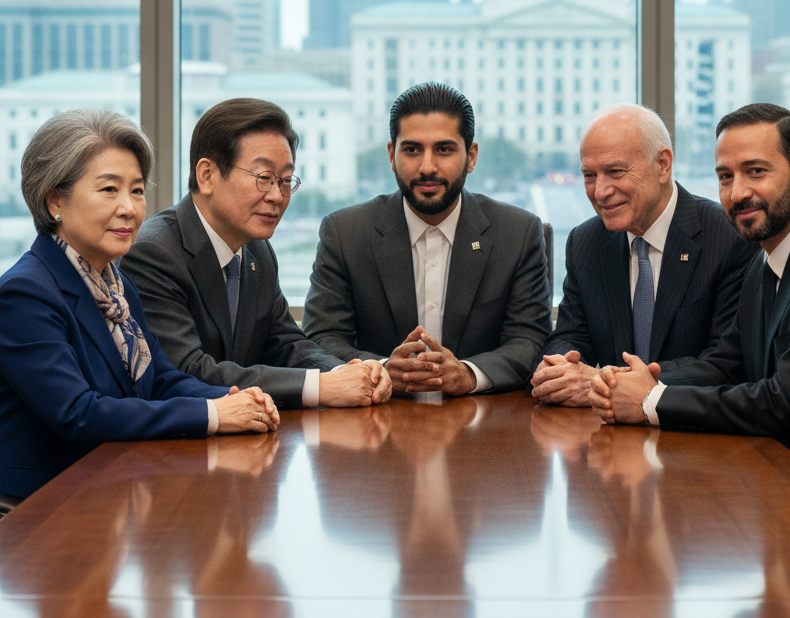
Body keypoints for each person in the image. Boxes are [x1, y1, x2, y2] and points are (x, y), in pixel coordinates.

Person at [0, 109, 279, 501]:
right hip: (42, 507)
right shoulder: (24, 293)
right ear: (53, 200)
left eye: (136, 190)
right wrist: (213, 416)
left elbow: (161, 379)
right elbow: (78, 414)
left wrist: (232, 398)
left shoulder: (117, 285)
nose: (130, 208)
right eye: (109, 189)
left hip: (112, 487)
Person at [588, 103, 790, 498]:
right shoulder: (765, 259)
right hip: (777, 481)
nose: (737, 193)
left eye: (756, 172)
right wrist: (625, 382)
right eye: (724, 176)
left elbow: (783, 403)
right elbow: (728, 364)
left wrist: (652, 400)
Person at [122, 98, 390, 409]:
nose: (277, 196)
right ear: (207, 175)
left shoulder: (257, 250)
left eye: (286, 181)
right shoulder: (154, 253)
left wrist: (350, 372)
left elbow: (286, 343)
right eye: (264, 178)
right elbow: (190, 371)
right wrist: (320, 386)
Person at [302, 82, 552, 395]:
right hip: (376, 422)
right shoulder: (345, 233)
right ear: (392, 155)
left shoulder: (517, 233)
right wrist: (381, 369)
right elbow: (320, 339)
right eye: (412, 150)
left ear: (471, 156)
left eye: (444, 149)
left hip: (486, 423)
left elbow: (530, 340)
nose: (427, 167)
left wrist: (469, 374)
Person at [531, 103, 756, 407]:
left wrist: (610, 383)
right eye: (589, 175)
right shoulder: (585, 241)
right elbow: (571, 335)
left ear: (663, 164)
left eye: (615, 171)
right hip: (605, 433)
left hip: (691, 431)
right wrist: (561, 365)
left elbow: (724, 363)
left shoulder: (728, 236)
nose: (600, 191)